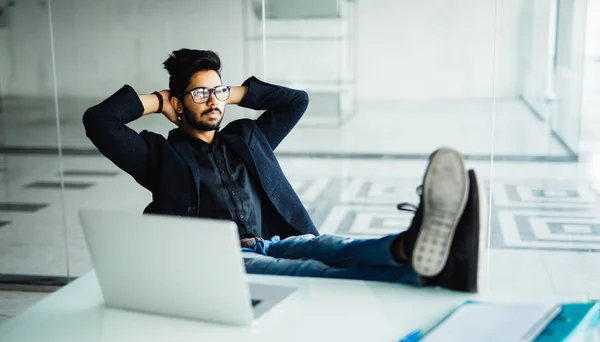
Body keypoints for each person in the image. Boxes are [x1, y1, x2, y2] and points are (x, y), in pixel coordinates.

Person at [83, 49, 487, 293]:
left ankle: (410, 246)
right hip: (217, 259)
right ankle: (426, 277)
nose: (213, 102)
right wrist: (156, 99)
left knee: (334, 247)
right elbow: (100, 121)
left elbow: (296, 101)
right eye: (200, 93)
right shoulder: (160, 157)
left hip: (272, 241)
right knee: (309, 272)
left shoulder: (246, 139)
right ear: (179, 101)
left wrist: (234, 92)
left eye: (218, 91)